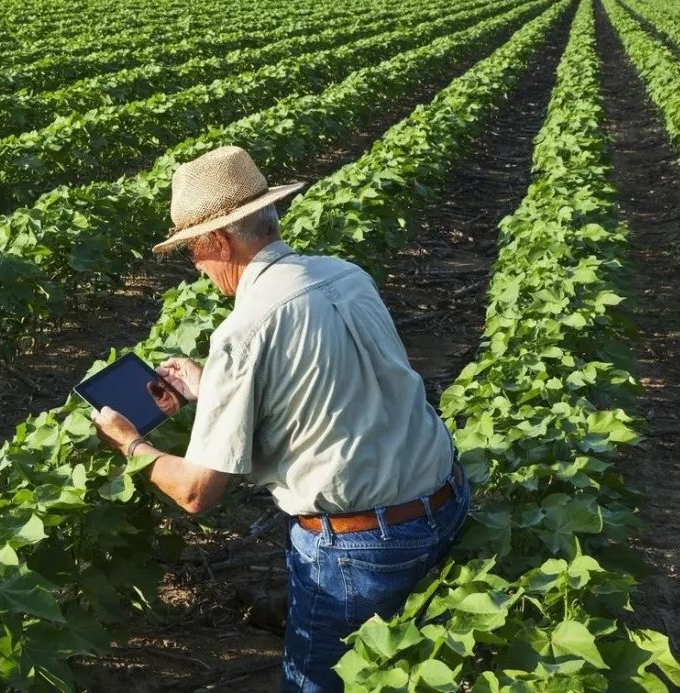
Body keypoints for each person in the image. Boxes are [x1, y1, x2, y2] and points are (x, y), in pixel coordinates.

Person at [91, 145, 470, 692]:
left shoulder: (245, 330)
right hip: (446, 498)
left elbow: (197, 493)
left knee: (317, 682)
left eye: (193, 253)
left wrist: (129, 443)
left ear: (219, 241)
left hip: (362, 549)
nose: (195, 268)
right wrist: (210, 389)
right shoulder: (345, 275)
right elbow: (337, 393)